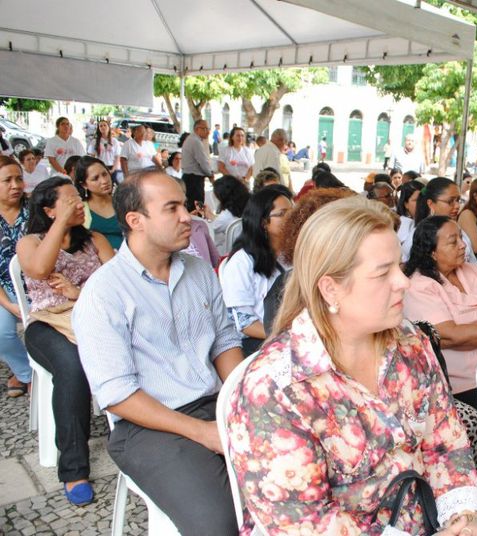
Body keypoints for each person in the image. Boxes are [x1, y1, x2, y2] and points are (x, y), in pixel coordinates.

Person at [227, 196, 477, 535]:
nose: (404, 282)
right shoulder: (274, 390)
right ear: (330, 289)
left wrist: (463, 517)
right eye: (383, 273)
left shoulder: (409, 342)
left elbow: (445, 443)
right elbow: (308, 524)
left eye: (399, 265)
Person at [72, 169, 242, 534]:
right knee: (220, 524)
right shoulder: (104, 293)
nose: (188, 217)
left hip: (213, 402)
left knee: (294, 482)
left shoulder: (198, 271)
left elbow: (225, 342)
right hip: (148, 424)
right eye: (173, 208)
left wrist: (242, 398)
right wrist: (202, 432)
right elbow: (118, 395)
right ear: (136, 221)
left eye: (184, 205)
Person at [17, 177, 115, 504]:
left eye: (79, 198)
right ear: (48, 210)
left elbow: (119, 286)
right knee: (72, 366)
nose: (78, 204)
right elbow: (41, 268)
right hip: (48, 323)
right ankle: (74, 469)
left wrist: (79, 292)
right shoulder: (30, 242)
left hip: (92, 319)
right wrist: (60, 223)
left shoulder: (96, 240)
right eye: (69, 199)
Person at [403, 216, 477, 414]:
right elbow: (452, 335)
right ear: (432, 252)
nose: (463, 245)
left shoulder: (471, 270)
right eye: (453, 242)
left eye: (461, 238)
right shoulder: (420, 286)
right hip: (466, 382)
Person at [221, 187, 291, 355]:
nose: (292, 218)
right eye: (282, 214)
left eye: (292, 211)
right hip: (260, 341)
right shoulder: (241, 263)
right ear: (263, 222)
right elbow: (245, 323)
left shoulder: (291, 254)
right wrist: (284, 336)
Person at [0, 156, 32, 397]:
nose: (15, 185)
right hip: (3, 290)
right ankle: (26, 373)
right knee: (1, 333)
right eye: (7, 180)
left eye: (18, 178)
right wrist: (9, 304)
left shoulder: (35, 210)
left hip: (37, 285)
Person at [402, 177, 477, 264]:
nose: (457, 206)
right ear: (431, 204)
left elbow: (473, 263)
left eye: (458, 200)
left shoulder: (459, 230)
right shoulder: (418, 237)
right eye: (450, 201)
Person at [74, 156, 123, 250]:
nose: (104, 181)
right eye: (95, 178)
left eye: (105, 174)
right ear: (84, 184)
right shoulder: (81, 210)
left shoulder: (123, 203)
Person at [210, 175, 250, 255]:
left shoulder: (226, 216)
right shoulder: (251, 204)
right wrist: (209, 215)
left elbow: (211, 229)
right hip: (253, 248)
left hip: (233, 253)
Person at [181, 120, 216, 209]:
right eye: (205, 129)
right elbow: (203, 161)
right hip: (194, 179)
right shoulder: (195, 141)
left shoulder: (192, 139)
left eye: (208, 129)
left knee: (191, 206)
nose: (208, 132)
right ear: (197, 129)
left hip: (190, 177)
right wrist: (210, 174)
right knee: (196, 208)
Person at [396, 180, 423, 254]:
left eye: (424, 200)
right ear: (406, 204)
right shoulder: (403, 223)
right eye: (417, 200)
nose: (422, 204)